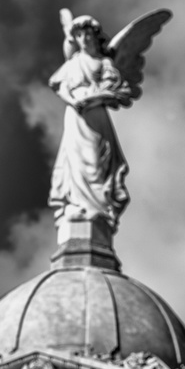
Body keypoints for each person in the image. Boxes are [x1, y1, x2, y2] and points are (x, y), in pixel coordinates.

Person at [48, 16, 130, 231]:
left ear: (95, 36)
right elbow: (59, 85)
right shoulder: (73, 62)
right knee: (74, 160)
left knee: (96, 161)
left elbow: (116, 90)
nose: (84, 39)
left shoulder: (104, 63)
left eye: (87, 34)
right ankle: (77, 205)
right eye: (79, 35)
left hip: (96, 115)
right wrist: (74, 101)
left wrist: (91, 99)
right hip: (76, 114)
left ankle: (99, 208)